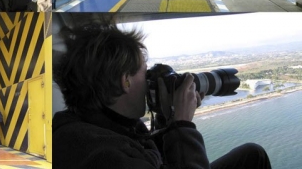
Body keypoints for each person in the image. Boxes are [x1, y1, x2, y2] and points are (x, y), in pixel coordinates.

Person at [53, 22, 272, 169]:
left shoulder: (93, 126)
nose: (148, 80)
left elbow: (153, 158)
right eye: (143, 71)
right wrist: (182, 126)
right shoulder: (103, 155)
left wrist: (167, 121)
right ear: (125, 81)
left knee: (251, 155)